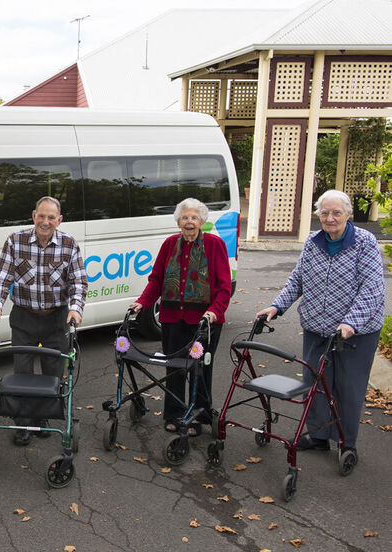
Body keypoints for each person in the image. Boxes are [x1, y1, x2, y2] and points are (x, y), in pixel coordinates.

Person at [256, 189, 384, 460]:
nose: (330, 218)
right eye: (324, 213)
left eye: (336, 212)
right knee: (315, 381)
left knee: (348, 388)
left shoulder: (365, 242)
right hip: (317, 327)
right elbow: (297, 279)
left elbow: (372, 288)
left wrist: (351, 323)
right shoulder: (313, 242)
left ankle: (346, 442)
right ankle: (317, 435)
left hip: (355, 333)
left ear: (348, 214)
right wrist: (276, 306)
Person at [0, 196, 87, 446]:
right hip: (24, 317)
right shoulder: (15, 241)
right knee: (23, 371)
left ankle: (42, 418)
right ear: (33, 216)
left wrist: (75, 309)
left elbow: (78, 281)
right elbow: (3, 277)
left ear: (59, 220)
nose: (45, 221)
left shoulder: (69, 244)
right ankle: (23, 422)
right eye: (41, 216)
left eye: (51, 217)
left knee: (53, 372)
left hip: (56, 319)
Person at [128, 197, 231, 437]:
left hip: (204, 323)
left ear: (202, 221)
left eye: (194, 217)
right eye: (185, 217)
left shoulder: (215, 245)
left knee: (199, 369)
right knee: (174, 368)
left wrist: (214, 311)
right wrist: (142, 302)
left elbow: (224, 287)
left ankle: (198, 415)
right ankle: (174, 413)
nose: (189, 222)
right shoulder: (169, 244)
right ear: (178, 221)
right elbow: (156, 280)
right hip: (172, 319)